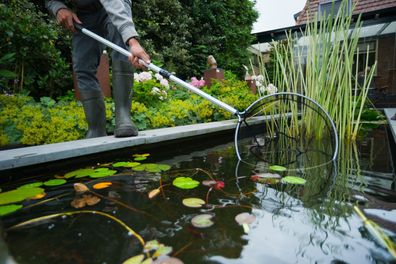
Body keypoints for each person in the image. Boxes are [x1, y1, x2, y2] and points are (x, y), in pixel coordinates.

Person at [45, 0, 150, 138]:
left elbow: (113, 3)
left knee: (121, 45)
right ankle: (96, 128)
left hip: (115, 5)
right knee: (82, 65)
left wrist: (132, 41)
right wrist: (58, 8)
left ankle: (123, 118)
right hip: (84, 14)